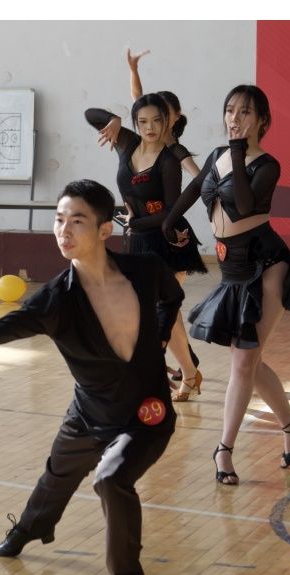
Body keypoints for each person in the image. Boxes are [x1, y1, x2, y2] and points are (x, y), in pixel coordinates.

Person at [0, 180, 183, 575]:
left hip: (145, 414)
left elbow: (171, 297)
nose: (63, 230)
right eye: (59, 219)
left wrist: (160, 336)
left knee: (110, 479)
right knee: (57, 477)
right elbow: (1, 330)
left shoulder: (145, 271)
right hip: (89, 414)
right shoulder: (55, 300)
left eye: (77, 221)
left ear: (105, 230)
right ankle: (30, 528)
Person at [162, 84, 290, 485]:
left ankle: (223, 449)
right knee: (249, 361)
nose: (235, 119)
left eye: (245, 112)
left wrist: (238, 153)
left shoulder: (267, 165)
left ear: (262, 121)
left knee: (243, 359)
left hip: (268, 266)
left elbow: (242, 205)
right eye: (230, 110)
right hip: (232, 268)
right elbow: (195, 189)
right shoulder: (217, 155)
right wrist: (169, 221)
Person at [85, 93, 202, 397]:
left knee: (156, 311)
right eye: (143, 121)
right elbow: (90, 114)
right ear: (135, 123)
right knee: (165, 314)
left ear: (167, 122)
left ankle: (156, 374)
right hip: (138, 241)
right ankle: (190, 373)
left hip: (168, 240)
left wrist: (134, 223)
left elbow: (171, 211)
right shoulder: (126, 143)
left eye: (157, 121)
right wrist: (114, 120)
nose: (150, 127)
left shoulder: (169, 159)